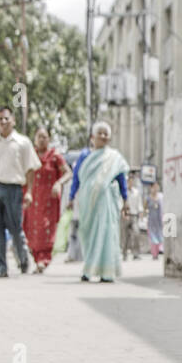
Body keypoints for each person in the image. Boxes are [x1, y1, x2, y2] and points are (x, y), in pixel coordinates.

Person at [0, 106, 40, 278]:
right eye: (0, 119)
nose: (3, 122)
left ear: (13, 120)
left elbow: (31, 169)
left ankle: (23, 258)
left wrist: (29, 192)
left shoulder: (23, 143)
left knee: (15, 228)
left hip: (13, 188)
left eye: (6, 118)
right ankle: (1, 266)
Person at [67, 120, 129, 283]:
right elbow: (76, 178)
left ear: (109, 138)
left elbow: (121, 179)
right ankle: (89, 268)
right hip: (87, 202)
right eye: (99, 133)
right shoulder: (85, 156)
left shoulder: (114, 158)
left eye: (105, 134)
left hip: (107, 201)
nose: (102, 136)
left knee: (106, 233)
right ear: (92, 137)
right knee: (88, 234)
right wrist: (71, 197)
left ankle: (106, 272)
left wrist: (126, 200)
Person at [23, 126, 69, 273]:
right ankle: (37, 259)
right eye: (39, 137)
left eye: (45, 137)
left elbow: (68, 173)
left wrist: (58, 183)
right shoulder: (30, 155)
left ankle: (44, 260)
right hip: (32, 198)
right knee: (31, 228)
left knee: (46, 229)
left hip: (49, 199)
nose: (42, 140)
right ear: (34, 139)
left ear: (49, 139)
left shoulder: (55, 156)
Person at [146, 181, 164, 260]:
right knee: (152, 237)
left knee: (160, 236)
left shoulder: (161, 197)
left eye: (157, 187)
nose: (155, 188)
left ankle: (160, 249)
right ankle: (154, 254)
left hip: (159, 220)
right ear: (151, 188)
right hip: (151, 220)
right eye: (154, 187)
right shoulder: (148, 198)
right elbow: (145, 208)